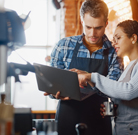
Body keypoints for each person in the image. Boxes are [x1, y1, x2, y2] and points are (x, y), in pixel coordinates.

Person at [74, 20, 138, 135]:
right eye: (113, 39)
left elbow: (129, 91)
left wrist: (92, 77)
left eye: (118, 38)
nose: (114, 43)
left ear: (133, 38)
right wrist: (114, 110)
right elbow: (121, 92)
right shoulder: (128, 67)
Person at [44, 0, 122, 134]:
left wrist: (89, 78)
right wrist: (54, 92)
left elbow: (115, 90)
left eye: (98, 28)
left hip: (99, 119)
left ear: (106, 24)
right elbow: (53, 85)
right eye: (88, 27)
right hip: (67, 116)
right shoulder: (63, 46)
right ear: (82, 21)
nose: (92, 33)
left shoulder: (114, 52)